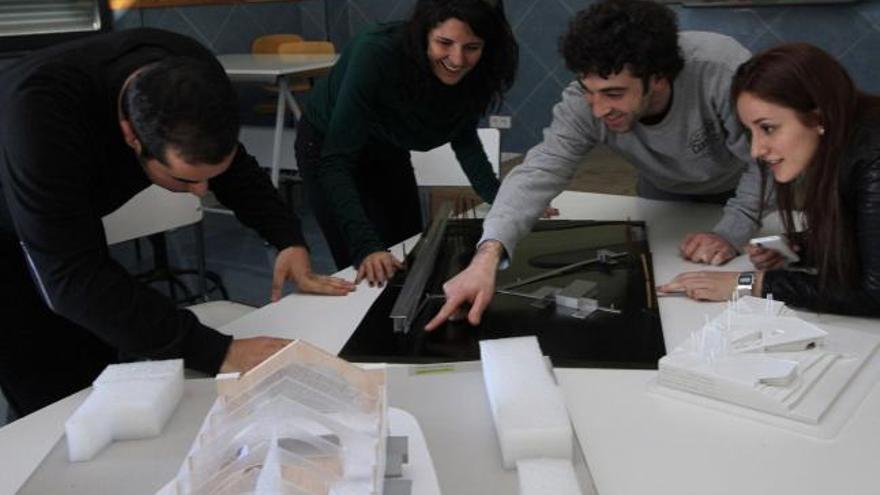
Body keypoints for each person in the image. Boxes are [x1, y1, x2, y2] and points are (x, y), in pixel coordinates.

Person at [0, 28, 355, 417]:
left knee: (108, 369)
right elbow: (73, 280)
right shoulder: (41, 117)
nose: (201, 191)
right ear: (131, 136)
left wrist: (287, 238)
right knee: (54, 391)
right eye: (186, 179)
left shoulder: (187, 68)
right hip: (12, 211)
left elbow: (232, 166)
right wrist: (219, 351)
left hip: (60, 207)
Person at [426, 0, 766, 330]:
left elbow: (765, 160)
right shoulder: (584, 102)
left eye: (614, 94)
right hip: (661, 190)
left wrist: (732, 231)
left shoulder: (722, 70)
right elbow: (540, 169)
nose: (599, 109)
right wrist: (487, 255)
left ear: (659, 78)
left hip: (740, 190)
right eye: (590, 91)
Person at [296, 0, 519, 285]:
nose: (457, 59)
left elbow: (464, 139)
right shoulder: (376, 51)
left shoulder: (476, 72)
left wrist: (503, 202)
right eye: (444, 43)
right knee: (368, 268)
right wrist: (367, 248)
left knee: (410, 250)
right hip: (328, 146)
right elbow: (335, 161)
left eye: (472, 47)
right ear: (424, 32)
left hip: (386, 143)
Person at [658, 43, 880, 316]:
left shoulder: (873, 155)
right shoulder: (849, 141)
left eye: (768, 128)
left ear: (818, 115)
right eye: (751, 132)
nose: (756, 151)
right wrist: (799, 248)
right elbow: (864, 240)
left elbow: (874, 294)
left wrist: (749, 284)